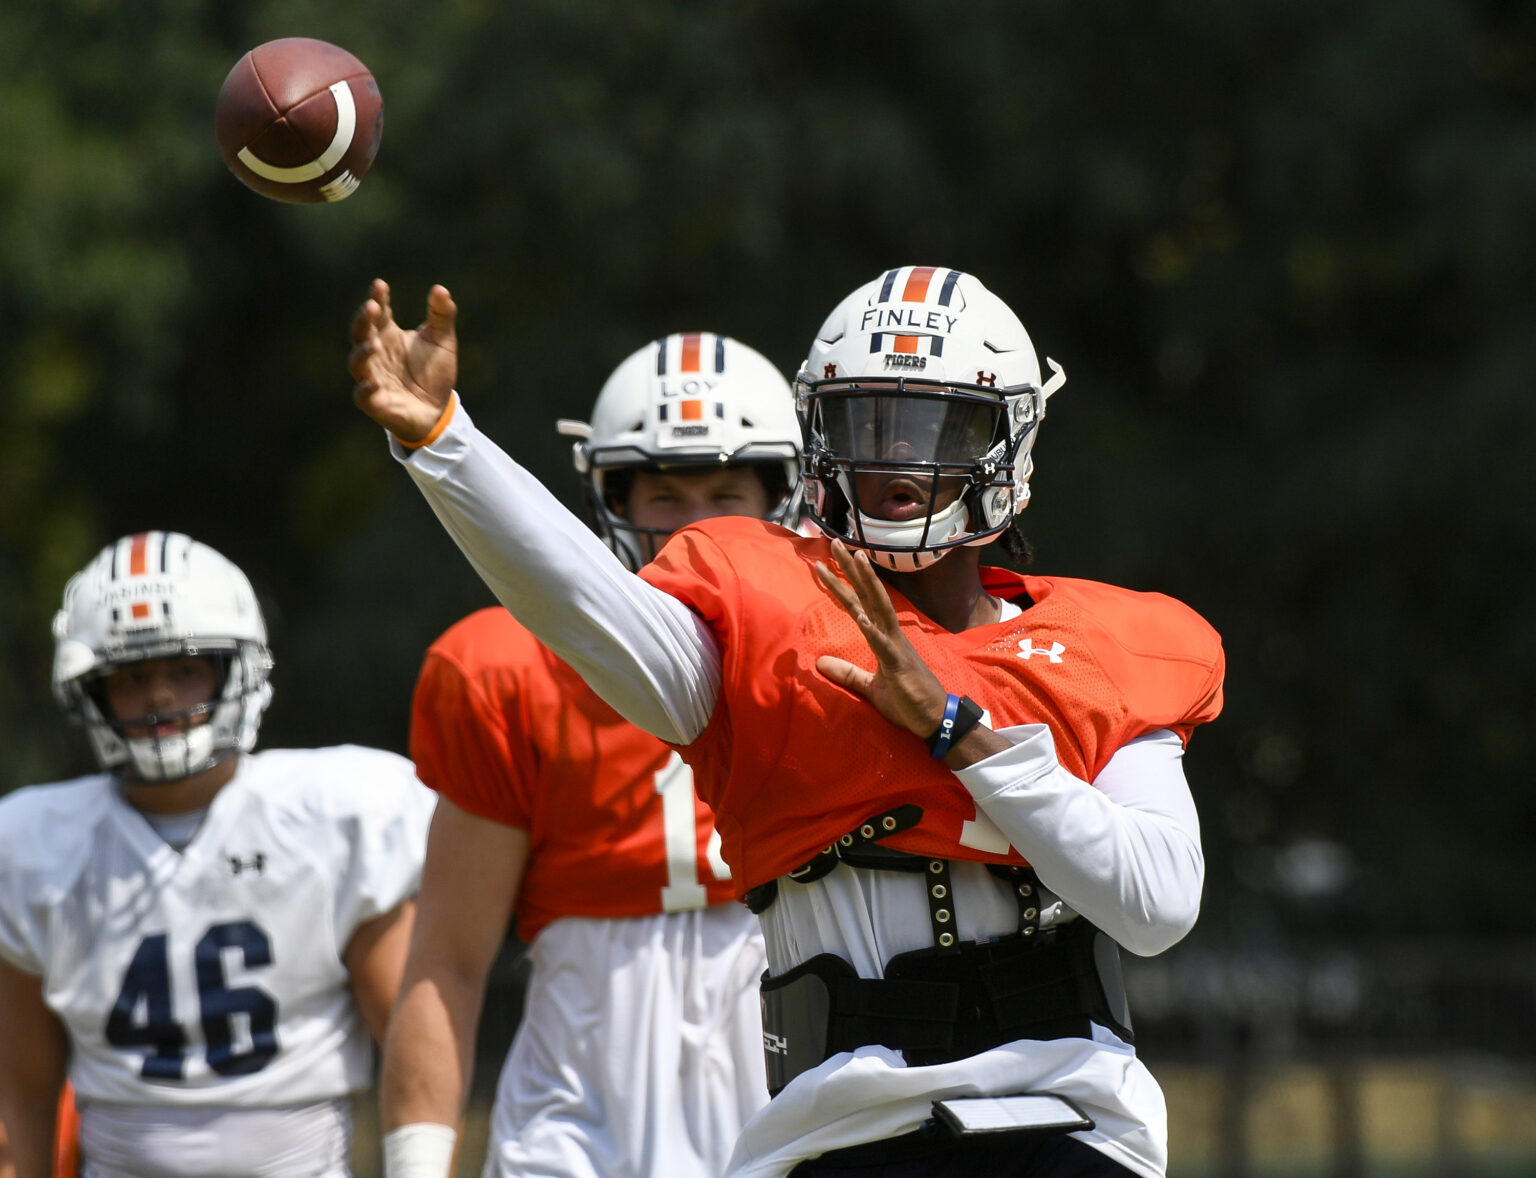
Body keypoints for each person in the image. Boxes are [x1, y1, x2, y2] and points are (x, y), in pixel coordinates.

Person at [349, 266, 1225, 1178]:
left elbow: (1157, 905)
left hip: (1069, 1118)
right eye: (867, 425)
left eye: (939, 426)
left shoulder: (1103, 642)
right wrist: (448, 446)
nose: (897, 462)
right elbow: (585, 607)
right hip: (843, 1129)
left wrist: (959, 734)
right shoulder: (764, 613)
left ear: (1013, 443)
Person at [380, 334, 802, 1178]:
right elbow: (450, 960)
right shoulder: (503, 671)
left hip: (790, 1087)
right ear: (608, 498)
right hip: (578, 1120)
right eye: (663, 496)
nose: (694, 529)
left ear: (785, 497)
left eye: (725, 493)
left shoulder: (837, 658)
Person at [0, 531, 436, 1178]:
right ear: (90, 693)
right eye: (132, 677)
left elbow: (410, 1044)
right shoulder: (31, 844)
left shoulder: (336, 815)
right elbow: (24, 1097)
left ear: (239, 670)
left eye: (185, 668)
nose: (158, 697)